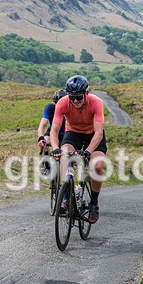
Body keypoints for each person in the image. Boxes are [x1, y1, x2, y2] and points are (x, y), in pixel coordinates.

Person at [50, 75, 107, 224]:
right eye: (72, 98)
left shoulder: (96, 102)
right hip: (73, 133)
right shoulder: (62, 103)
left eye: (79, 97)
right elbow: (54, 130)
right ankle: (65, 195)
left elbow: (99, 133)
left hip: (93, 135)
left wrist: (87, 151)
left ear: (86, 94)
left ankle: (94, 203)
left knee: (98, 166)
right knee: (64, 155)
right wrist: (55, 148)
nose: (75, 101)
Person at [36, 89, 67, 178]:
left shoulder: (70, 108)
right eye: (56, 102)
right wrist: (41, 137)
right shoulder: (50, 107)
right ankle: (47, 166)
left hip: (66, 133)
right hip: (52, 131)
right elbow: (42, 125)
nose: (59, 105)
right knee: (45, 142)